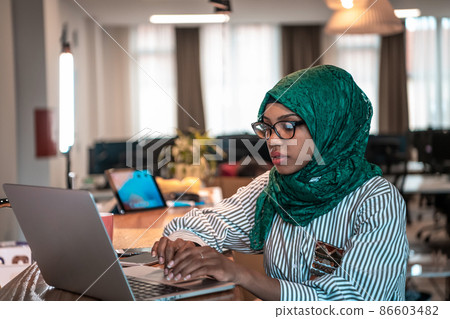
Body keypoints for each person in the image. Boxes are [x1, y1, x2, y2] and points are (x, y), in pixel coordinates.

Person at [151, 65, 409, 301]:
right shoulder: (275, 186)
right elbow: (208, 222)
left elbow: (353, 302)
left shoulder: (376, 200)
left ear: (328, 126)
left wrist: (241, 275)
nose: (272, 140)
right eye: (267, 127)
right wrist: (185, 245)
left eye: (287, 126)